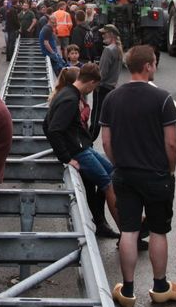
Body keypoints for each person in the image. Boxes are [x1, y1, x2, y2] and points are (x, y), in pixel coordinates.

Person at [100, 46, 176, 307]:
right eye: (155, 63)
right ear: (148, 66)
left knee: (129, 230)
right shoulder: (162, 98)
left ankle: (126, 290)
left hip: (125, 173)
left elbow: (106, 141)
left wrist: (119, 165)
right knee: (158, 231)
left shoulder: (112, 98)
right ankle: (160, 287)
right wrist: (170, 169)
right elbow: (171, 143)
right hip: (156, 174)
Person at [43, 63, 119, 235]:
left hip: (83, 147)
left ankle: (102, 223)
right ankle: (126, 230)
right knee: (107, 183)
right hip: (79, 152)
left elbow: (46, 125)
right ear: (91, 82)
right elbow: (54, 129)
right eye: (95, 86)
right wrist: (66, 158)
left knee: (113, 172)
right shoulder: (70, 99)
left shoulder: (66, 93)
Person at [91, 24, 121, 139]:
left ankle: (89, 141)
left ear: (111, 34)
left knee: (96, 116)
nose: (102, 35)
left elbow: (102, 73)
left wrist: (93, 83)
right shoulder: (118, 49)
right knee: (108, 118)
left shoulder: (108, 50)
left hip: (101, 88)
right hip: (112, 88)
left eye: (104, 33)